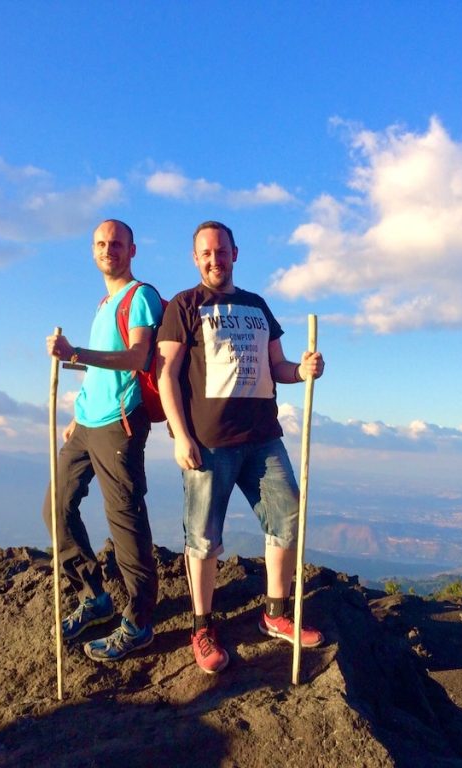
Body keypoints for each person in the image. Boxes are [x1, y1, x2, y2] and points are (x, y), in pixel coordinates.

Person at [156, 220, 325, 674]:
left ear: (235, 253)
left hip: (263, 437)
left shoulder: (257, 306)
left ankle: (274, 613)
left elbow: (278, 368)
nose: (215, 259)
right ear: (196, 259)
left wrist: (303, 369)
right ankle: (202, 626)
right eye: (206, 253)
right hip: (208, 443)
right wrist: (180, 436)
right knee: (204, 537)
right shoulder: (183, 305)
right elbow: (166, 374)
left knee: (288, 512)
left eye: (222, 251)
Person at [42, 218, 161, 662]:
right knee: (56, 507)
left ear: (132, 250)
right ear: (93, 251)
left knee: (125, 521)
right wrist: (78, 412)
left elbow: (137, 356)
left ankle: (140, 620)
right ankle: (94, 596)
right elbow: (99, 371)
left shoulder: (140, 296)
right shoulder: (104, 302)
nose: (108, 249)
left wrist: (73, 352)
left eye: (116, 243)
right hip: (90, 422)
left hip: (120, 424)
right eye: (101, 243)